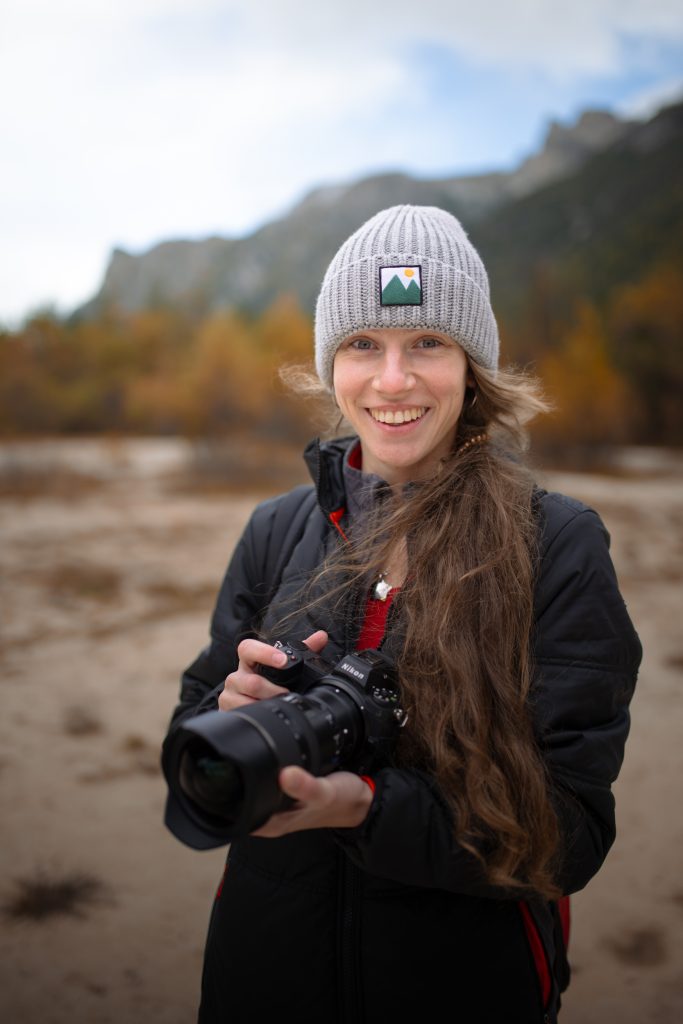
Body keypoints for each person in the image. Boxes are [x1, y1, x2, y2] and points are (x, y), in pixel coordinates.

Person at [162, 205, 641, 1023]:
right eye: (362, 344)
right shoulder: (277, 529)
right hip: (261, 973)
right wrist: (226, 717)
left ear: (471, 365)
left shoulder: (554, 542)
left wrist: (364, 808)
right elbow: (188, 760)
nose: (391, 381)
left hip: (462, 986)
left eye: (426, 342)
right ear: (330, 364)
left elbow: (569, 835)